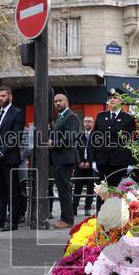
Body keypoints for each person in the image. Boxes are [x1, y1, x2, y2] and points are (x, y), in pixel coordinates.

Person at [91, 87, 138, 197]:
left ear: (121, 100)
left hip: (120, 162)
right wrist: (93, 159)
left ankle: (115, 209)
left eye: (115, 97)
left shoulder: (128, 118)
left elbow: (133, 141)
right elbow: (94, 138)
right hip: (102, 161)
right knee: (102, 193)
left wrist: (131, 162)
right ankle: (101, 209)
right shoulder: (101, 116)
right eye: (110, 97)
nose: (112, 100)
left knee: (117, 193)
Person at [0, 86, 25, 232]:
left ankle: (13, 222)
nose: (0, 99)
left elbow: (15, 137)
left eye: (3, 96)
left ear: (10, 97)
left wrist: (2, 152)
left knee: (13, 191)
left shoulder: (17, 113)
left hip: (9, 158)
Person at [49, 93, 80, 229]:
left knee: (64, 190)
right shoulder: (60, 117)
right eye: (55, 101)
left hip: (65, 159)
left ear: (66, 102)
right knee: (62, 190)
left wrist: (53, 143)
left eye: (60, 100)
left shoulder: (70, 117)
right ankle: (66, 218)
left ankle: (67, 219)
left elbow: (70, 138)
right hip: (59, 159)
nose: (57, 103)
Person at [73, 115, 97, 216]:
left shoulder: (96, 136)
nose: (87, 123)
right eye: (86, 121)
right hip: (79, 167)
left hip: (91, 167)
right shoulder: (78, 136)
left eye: (89, 121)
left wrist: (89, 162)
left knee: (90, 189)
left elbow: (96, 151)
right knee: (77, 188)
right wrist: (79, 162)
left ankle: (88, 208)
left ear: (93, 123)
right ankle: (74, 208)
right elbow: (75, 150)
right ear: (83, 123)